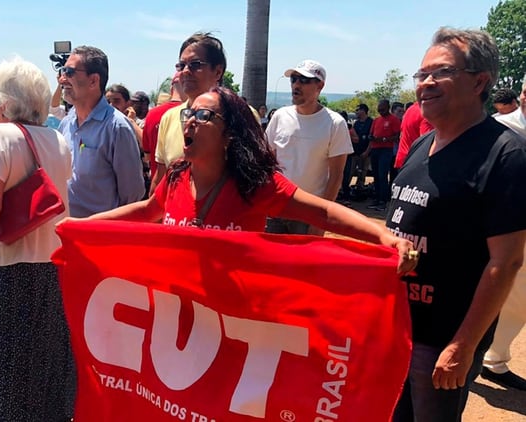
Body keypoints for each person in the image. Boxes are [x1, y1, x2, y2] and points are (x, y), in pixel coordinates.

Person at [73, 86, 418, 275]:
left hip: (236, 323)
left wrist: (384, 237)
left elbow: (324, 214)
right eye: (189, 113)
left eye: (204, 115)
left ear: (229, 136)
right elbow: (146, 210)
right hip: (179, 314)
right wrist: (81, 227)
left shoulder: (255, 184)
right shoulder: (178, 175)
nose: (190, 121)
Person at [389, 27, 526, 421]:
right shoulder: (420, 145)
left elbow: (506, 262)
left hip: (442, 338)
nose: (425, 84)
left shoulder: (506, 156)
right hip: (396, 327)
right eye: (422, 75)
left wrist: (463, 345)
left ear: (480, 81)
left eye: (440, 72)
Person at [0, 57, 75, 421]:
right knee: (48, 360)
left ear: (4, 100)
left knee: (8, 359)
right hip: (55, 264)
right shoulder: (59, 138)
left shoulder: (0, 136)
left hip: (14, 267)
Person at [264, 59, 353, 234]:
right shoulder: (280, 116)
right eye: (294, 79)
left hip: (309, 213)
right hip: (275, 209)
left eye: (304, 80)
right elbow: (267, 163)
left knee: (302, 262)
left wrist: (321, 220)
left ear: (320, 86)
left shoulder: (334, 123)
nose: (296, 84)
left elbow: (336, 176)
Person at [57, 45, 145, 217]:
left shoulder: (116, 127)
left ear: (93, 81)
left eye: (69, 72)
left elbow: (132, 195)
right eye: (62, 71)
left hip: (99, 236)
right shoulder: (66, 124)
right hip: (66, 233)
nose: (62, 79)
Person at [481, 74, 526, 391]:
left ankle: (494, 359)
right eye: (525, 91)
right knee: (491, 287)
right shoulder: (502, 127)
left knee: (521, 297)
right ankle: (478, 355)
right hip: (503, 224)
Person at [150, 32, 228, 194]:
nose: (185, 71)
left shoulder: (239, 116)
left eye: (195, 64)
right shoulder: (169, 118)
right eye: (181, 65)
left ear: (218, 72)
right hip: (173, 218)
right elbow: (160, 180)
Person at [142, 71, 186, 180]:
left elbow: (147, 156)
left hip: (159, 185)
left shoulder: (152, 114)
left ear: (171, 90)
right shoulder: (198, 113)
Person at [366, 99, 401, 212]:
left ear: (388, 107)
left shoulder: (394, 120)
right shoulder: (376, 120)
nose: (380, 111)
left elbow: (397, 136)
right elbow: (371, 134)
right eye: (379, 109)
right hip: (375, 149)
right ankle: (376, 198)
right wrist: (371, 139)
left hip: (386, 150)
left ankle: (383, 200)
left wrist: (384, 139)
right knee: (375, 175)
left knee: (382, 175)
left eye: (383, 109)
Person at [394, 102, 433, 169]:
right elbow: (427, 143)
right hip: (415, 162)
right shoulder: (427, 111)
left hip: (405, 159)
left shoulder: (411, 109)